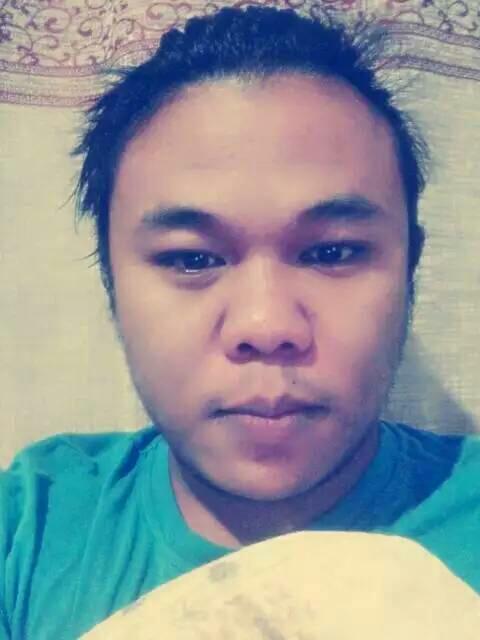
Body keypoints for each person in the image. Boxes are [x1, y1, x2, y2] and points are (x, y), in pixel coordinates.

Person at [1, 5, 479, 639]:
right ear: (111, 282)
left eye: (332, 252)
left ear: (409, 271)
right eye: (192, 259)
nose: (266, 325)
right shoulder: (30, 530)